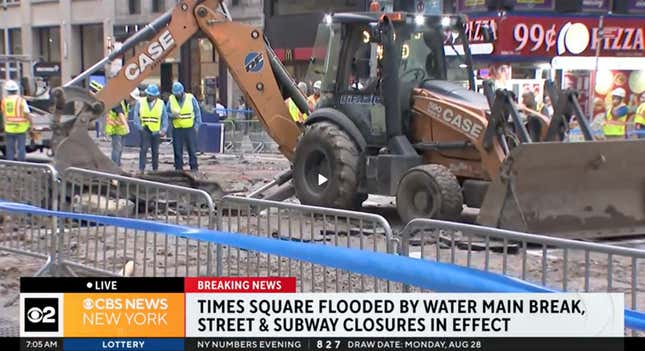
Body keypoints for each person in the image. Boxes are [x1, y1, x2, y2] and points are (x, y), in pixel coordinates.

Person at [167, 82, 202, 173]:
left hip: (190, 129)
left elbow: (197, 112)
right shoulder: (171, 99)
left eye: (178, 94)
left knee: (192, 150)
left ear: (182, 92)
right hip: (177, 129)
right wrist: (172, 115)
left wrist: (196, 127)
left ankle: (194, 167)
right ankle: (178, 168)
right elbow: (165, 113)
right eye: (175, 94)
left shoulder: (191, 98)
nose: (177, 96)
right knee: (177, 150)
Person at [133, 84, 168, 174]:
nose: (149, 96)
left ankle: (155, 169)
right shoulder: (140, 102)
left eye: (151, 95)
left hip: (156, 131)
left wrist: (163, 129)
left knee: (155, 151)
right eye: (148, 94)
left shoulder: (161, 104)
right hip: (145, 130)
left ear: (155, 96)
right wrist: (139, 127)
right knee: (143, 149)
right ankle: (141, 169)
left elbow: (164, 118)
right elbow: (136, 117)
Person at [0, 80, 33, 161]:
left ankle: (10, 163)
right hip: (21, 128)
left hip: (9, 128)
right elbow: (26, 113)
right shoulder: (21, 100)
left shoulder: (4, 101)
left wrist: (4, 125)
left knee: (10, 147)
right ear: (16, 90)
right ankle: (21, 163)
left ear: (7, 91)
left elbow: (4, 114)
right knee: (21, 147)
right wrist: (31, 124)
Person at [105, 89, 138, 166]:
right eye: (132, 98)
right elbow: (121, 114)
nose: (132, 100)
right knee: (116, 149)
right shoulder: (117, 101)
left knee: (120, 149)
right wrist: (127, 126)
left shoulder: (126, 103)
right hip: (115, 129)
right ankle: (114, 165)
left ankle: (118, 164)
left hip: (121, 130)